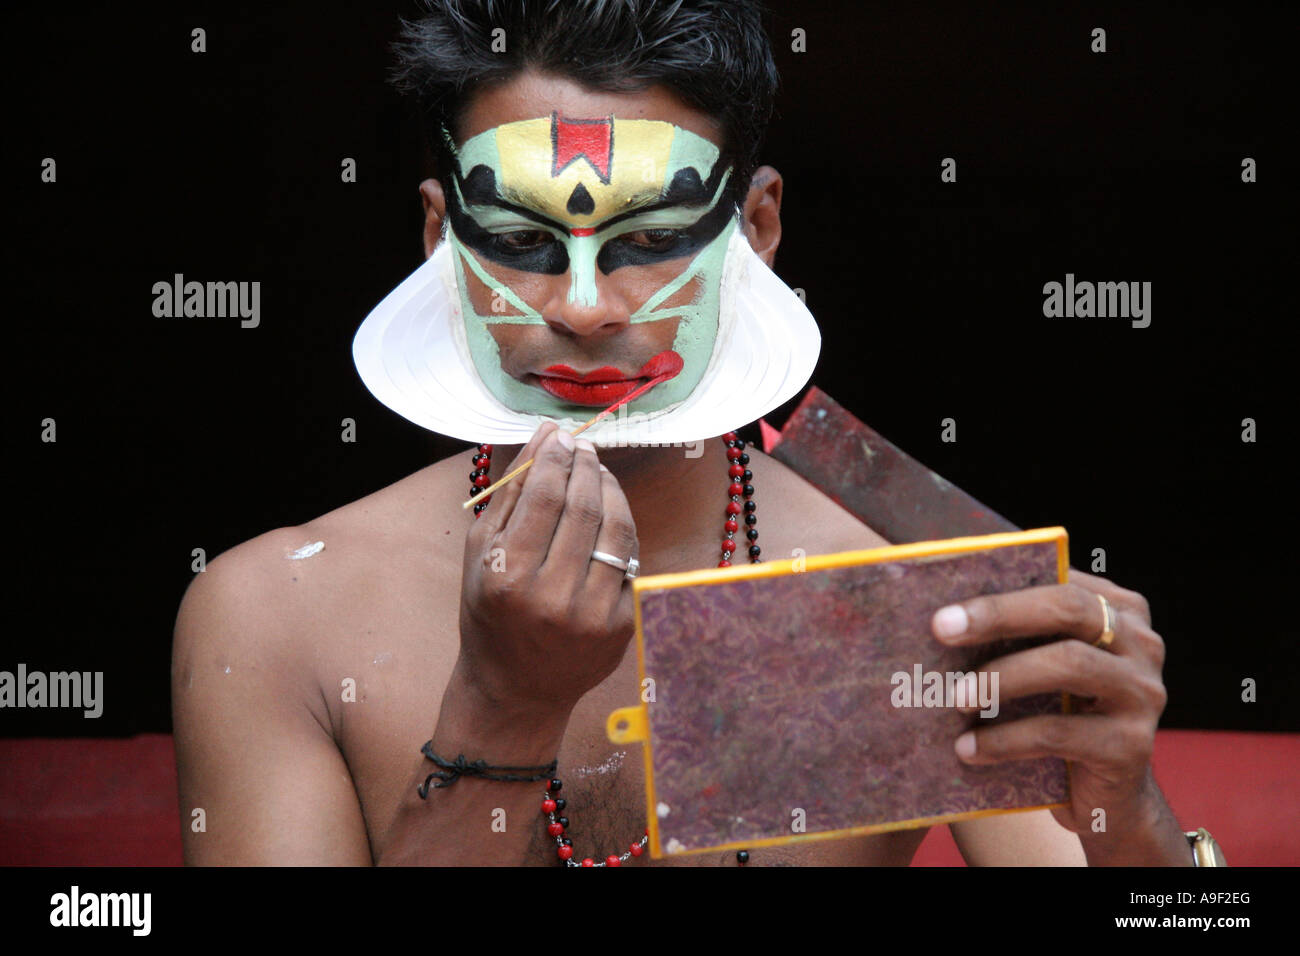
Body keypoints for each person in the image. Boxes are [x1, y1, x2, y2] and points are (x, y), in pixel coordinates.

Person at [171, 0, 1191, 866]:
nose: (582, 309)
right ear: (441, 238)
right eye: (522, 242)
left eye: (652, 242)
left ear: (756, 229)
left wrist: (1128, 814)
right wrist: (500, 710)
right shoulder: (274, 614)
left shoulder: (916, 588)